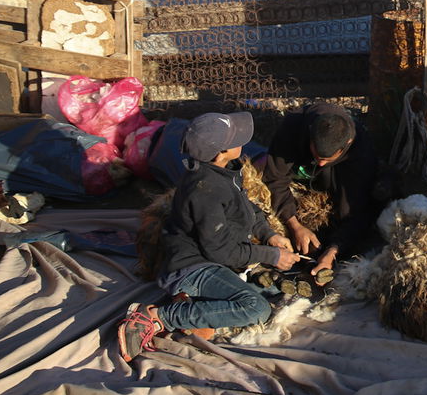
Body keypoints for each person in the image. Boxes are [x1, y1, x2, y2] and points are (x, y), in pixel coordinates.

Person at [118, 111, 296, 361]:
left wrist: (269, 236)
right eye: (234, 138)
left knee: (273, 291)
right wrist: (273, 255)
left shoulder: (225, 172)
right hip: (191, 267)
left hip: (213, 259)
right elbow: (221, 251)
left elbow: (248, 209)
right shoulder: (205, 190)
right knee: (255, 308)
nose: (241, 140)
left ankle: (196, 304)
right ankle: (159, 316)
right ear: (220, 152)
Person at [261, 102, 385, 277]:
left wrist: (333, 251)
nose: (320, 162)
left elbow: (357, 209)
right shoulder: (292, 127)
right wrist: (295, 225)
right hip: (300, 168)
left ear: (347, 143)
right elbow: (274, 179)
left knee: (350, 211)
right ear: (311, 135)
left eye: (326, 159)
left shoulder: (360, 150)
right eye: (318, 156)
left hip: (339, 172)